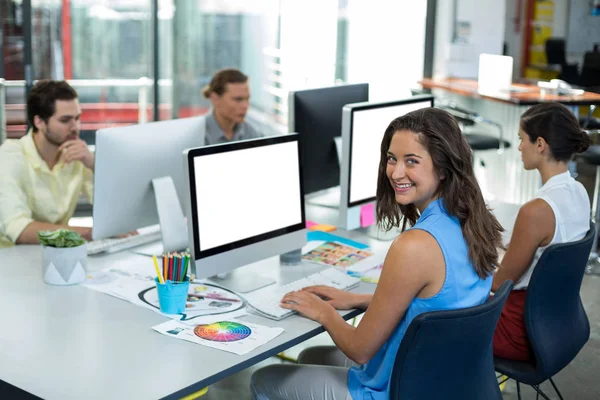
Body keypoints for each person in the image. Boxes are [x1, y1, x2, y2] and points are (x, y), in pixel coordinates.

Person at [250, 108, 504, 400]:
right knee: (312, 353)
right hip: (443, 381)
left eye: (412, 161)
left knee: (264, 378)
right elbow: (438, 303)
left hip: (397, 389)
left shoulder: (415, 246)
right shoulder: (471, 222)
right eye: (392, 159)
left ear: (443, 168)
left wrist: (323, 312)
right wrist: (358, 299)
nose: (396, 173)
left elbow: (360, 349)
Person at [492, 102, 591, 362]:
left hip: (518, 331)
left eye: (522, 139)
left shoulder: (536, 211)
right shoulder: (580, 192)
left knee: (430, 315)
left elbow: (498, 283)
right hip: (557, 324)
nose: (520, 147)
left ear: (540, 144)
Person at [0, 80, 94, 247]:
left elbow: (110, 209)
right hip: (11, 260)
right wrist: (87, 233)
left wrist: (94, 165)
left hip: (57, 255)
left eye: (77, 118)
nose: (75, 127)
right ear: (39, 122)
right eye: (65, 120)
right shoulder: (10, 156)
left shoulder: (77, 155)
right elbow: (19, 229)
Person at [202, 68, 262, 145]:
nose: (245, 106)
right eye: (238, 99)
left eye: (247, 99)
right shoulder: (197, 135)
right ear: (215, 99)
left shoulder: (252, 134)